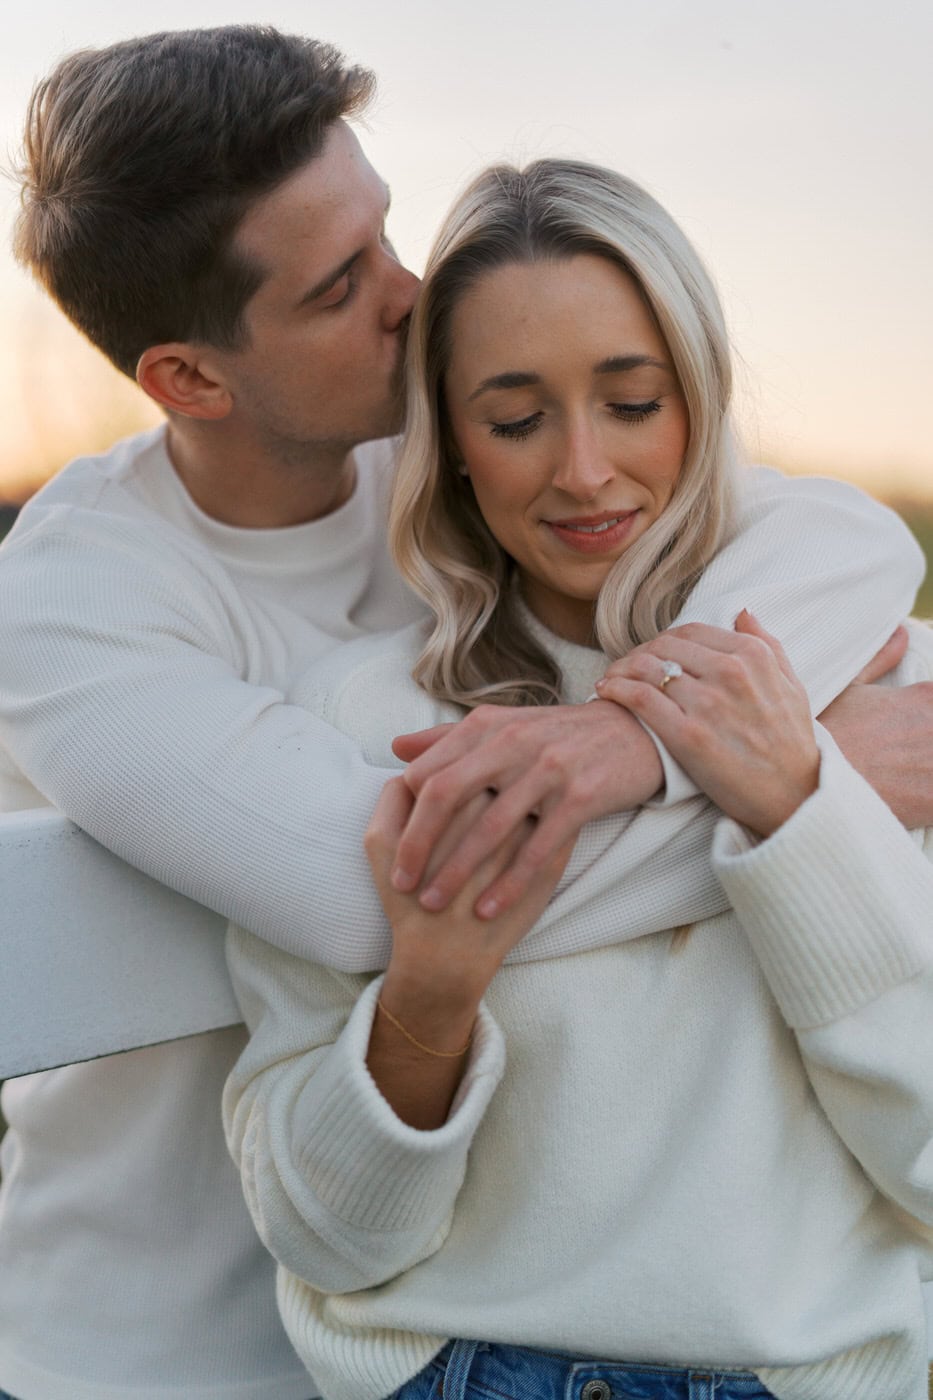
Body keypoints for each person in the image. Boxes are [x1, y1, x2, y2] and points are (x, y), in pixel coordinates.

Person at [0, 23, 930, 1400]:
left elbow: (837, 542)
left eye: (383, 231)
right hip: (168, 1345)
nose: (414, 291)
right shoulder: (75, 603)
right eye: (340, 287)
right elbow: (371, 890)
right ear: (190, 378)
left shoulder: (459, 467)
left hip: (458, 1307)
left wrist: (640, 740)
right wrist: (800, 795)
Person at [223, 159, 933, 1400]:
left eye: (633, 400)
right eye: (514, 419)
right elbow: (323, 1233)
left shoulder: (884, 693)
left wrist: (798, 810)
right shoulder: (363, 720)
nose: (585, 472)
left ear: (701, 403)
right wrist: (429, 999)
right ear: (446, 451)